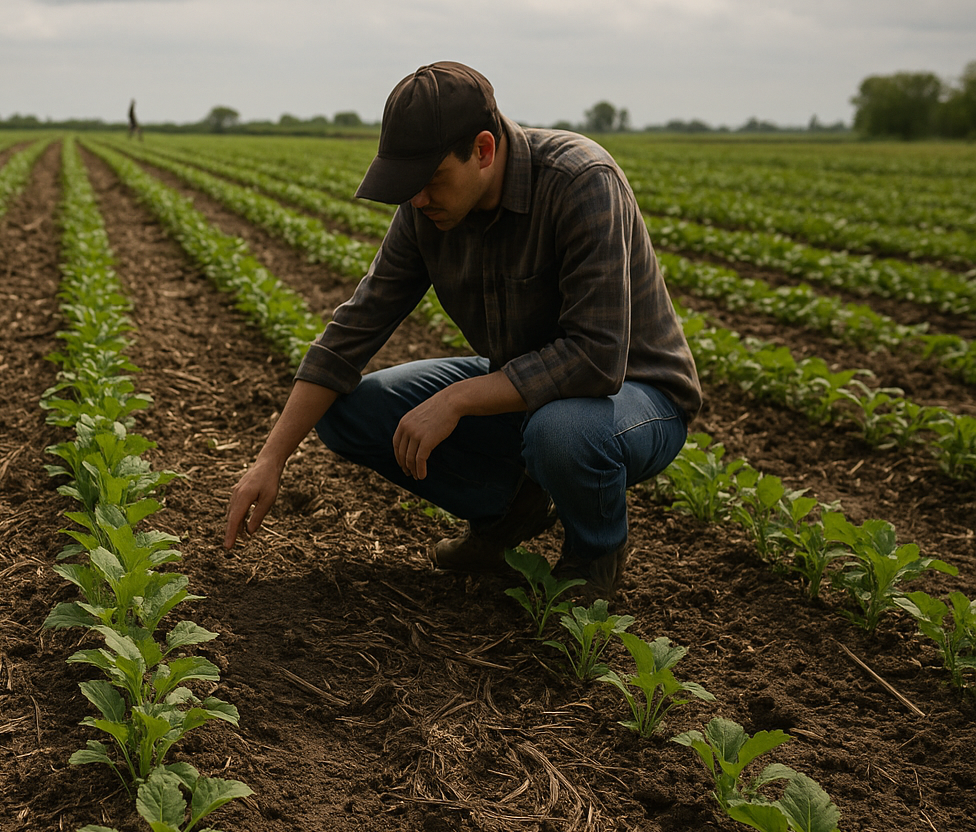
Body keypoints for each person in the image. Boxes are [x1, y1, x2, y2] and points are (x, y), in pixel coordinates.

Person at [222, 62, 702, 602]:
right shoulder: (424, 212)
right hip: (522, 387)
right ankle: (508, 515)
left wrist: (457, 400)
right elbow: (354, 328)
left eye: (430, 181)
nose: (419, 200)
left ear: (483, 150)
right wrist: (272, 458)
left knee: (561, 432)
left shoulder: (580, 181)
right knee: (349, 409)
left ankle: (595, 554)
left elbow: (595, 358)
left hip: (632, 392)